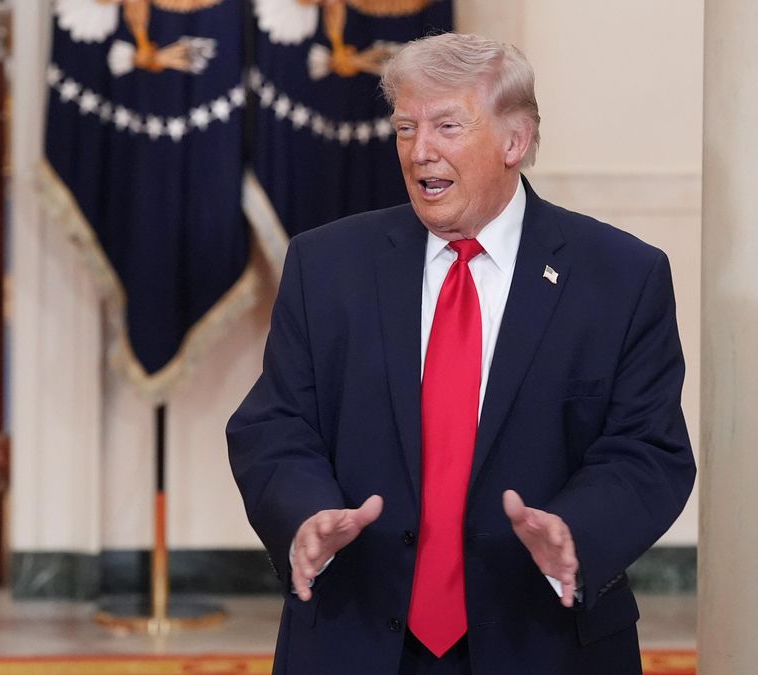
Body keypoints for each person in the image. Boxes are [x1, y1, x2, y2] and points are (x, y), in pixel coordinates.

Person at [227, 33, 695, 675]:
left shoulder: (619, 277)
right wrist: (306, 514)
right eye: (405, 127)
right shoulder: (325, 265)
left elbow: (648, 449)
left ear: (514, 141)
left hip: (546, 640)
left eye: (447, 125)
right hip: (354, 636)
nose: (421, 151)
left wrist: (577, 534)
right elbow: (275, 426)